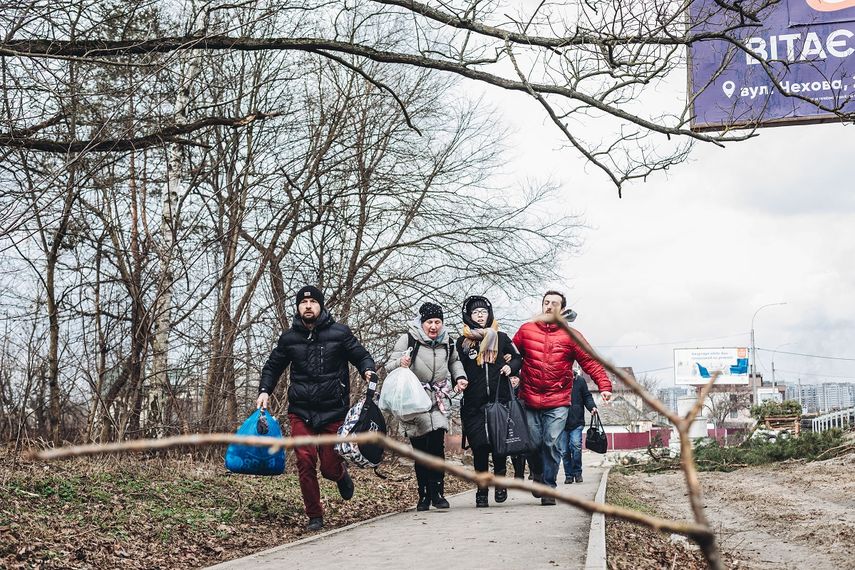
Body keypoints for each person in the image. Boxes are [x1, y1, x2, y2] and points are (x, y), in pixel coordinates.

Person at [256, 286, 376, 531]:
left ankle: (340, 475)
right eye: (303, 302)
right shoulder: (289, 338)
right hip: (301, 411)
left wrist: (367, 370)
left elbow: (361, 355)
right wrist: (264, 391)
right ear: (298, 307)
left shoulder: (339, 333)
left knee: (329, 468)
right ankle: (314, 514)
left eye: (312, 301)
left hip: (334, 411)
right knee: (304, 460)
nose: (308, 305)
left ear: (320, 305)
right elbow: (272, 367)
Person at [513, 290, 612, 505]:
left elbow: (590, 361)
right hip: (529, 397)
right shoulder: (526, 330)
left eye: (554, 304)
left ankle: (549, 487)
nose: (549, 307)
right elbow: (511, 355)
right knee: (532, 443)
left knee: (551, 442)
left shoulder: (571, 335)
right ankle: (538, 474)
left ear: (562, 309)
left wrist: (604, 385)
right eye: (546, 303)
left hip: (558, 399)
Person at [385, 302, 467, 511]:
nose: (434, 326)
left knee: (437, 446)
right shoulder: (408, 339)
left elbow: (455, 362)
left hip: (438, 398)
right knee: (420, 449)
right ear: (421, 323)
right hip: (414, 399)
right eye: (429, 322)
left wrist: (460, 377)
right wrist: (401, 363)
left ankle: (438, 493)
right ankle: (423, 495)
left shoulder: (447, 342)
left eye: (437, 322)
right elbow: (389, 365)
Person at [455, 296, 522, 507]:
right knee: (480, 446)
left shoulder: (501, 338)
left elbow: (518, 358)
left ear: (489, 314)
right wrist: (458, 380)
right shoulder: (463, 341)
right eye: (476, 313)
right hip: (473, 404)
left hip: (499, 400)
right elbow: (454, 366)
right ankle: (482, 490)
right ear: (469, 316)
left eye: (483, 312)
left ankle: (500, 481)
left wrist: (510, 368)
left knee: (499, 443)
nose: (480, 316)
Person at [560, 375, 597, 484]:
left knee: (576, 445)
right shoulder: (557, 378)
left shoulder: (579, 380)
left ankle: (577, 472)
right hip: (560, 423)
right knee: (564, 451)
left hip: (577, 421)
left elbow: (586, 396)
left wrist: (592, 407)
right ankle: (568, 475)